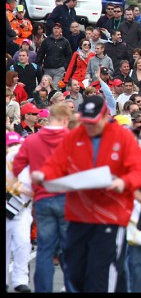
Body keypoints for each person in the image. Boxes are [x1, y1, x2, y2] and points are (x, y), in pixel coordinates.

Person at [30, 95, 141, 292]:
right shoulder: (74, 136)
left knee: (101, 272)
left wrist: (124, 181)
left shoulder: (123, 137)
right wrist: (42, 174)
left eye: (93, 123)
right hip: (79, 214)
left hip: (111, 214)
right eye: (86, 122)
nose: (89, 127)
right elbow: (55, 165)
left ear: (104, 117)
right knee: (75, 271)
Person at [12, 104, 73, 293]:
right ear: (65, 120)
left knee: (45, 250)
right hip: (67, 199)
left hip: (42, 199)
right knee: (69, 250)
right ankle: (72, 288)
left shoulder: (31, 141)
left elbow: (16, 168)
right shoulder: (72, 140)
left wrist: (30, 186)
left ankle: (43, 290)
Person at [6, 132, 33, 293]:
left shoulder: (29, 163)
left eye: (17, 145)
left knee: (23, 244)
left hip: (22, 210)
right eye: (11, 145)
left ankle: (20, 281)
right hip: (7, 210)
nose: (14, 149)